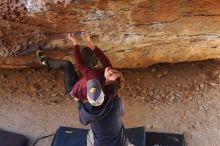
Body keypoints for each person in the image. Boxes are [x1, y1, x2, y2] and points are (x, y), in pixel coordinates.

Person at [36, 32, 122, 100]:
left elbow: (79, 64)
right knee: (87, 51)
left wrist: (75, 43)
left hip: (73, 89)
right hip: (84, 81)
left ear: (106, 81)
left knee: (67, 65)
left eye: (110, 74)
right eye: (115, 71)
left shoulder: (95, 77)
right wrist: (89, 42)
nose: (111, 70)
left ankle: (45, 61)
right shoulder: (111, 81)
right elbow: (103, 58)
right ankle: (90, 69)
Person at [77, 79, 134, 146]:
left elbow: (83, 121)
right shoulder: (117, 103)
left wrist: (79, 102)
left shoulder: (86, 110)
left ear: (88, 97)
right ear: (102, 92)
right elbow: (122, 113)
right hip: (122, 144)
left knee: (90, 134)